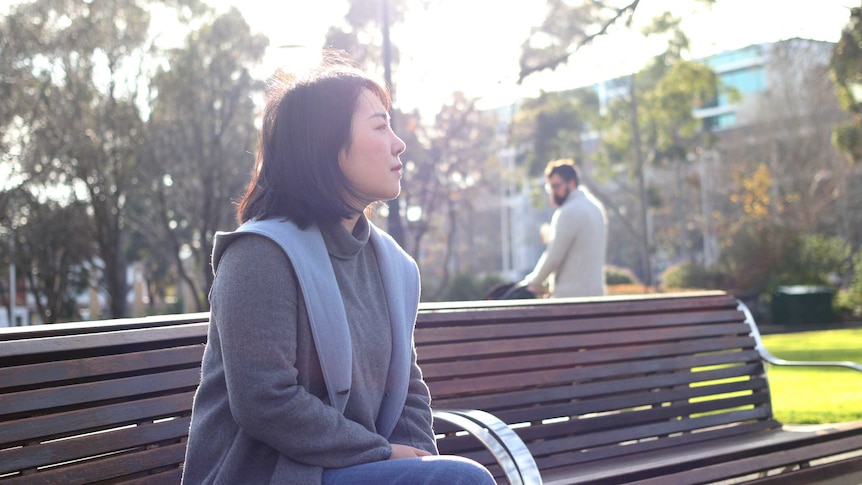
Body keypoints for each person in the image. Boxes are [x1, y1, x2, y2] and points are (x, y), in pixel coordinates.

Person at [181, 52, 495, 485]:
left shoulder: (392, 266)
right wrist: (384, 453)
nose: (398, 143)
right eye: (381, 125)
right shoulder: (260, 255)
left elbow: (406, 395)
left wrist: (419, 459)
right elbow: (264, 400)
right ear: (327, 146)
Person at [520, 159, 607, 298]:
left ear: (571, 183)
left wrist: (532, 281)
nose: (553, 192)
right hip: (596, 296)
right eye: (550, 187)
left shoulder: (568, 212)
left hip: (570, 299)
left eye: (556, 186)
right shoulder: (595, 207)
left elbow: (553, 256)